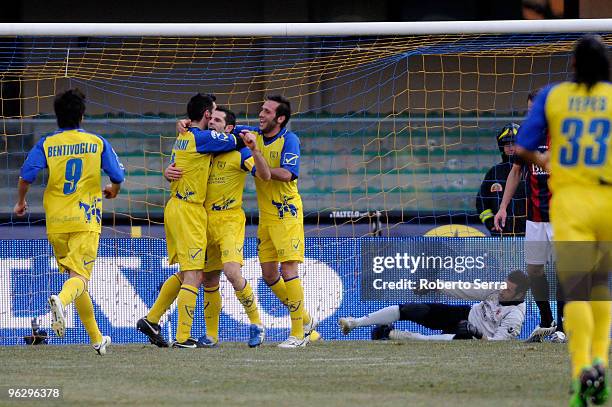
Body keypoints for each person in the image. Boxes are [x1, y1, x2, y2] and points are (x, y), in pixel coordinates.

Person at [515, 34, 612, 406]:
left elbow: (523, 146)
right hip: (606, 201)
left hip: (570, 202)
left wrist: (544, 162)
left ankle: (580, 376)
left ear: (572, 66)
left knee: (576, 294)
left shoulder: (552, 97)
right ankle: (601, 362)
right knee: (601, 286)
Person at [14, 89, 125, 355]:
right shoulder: (97, 142)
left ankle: (97, 339)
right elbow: (117, 175)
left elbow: (26, 176)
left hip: (56, 221)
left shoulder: (47, 143)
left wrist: (20, 202)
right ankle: (60, 302)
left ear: (57, 117)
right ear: (82, 115)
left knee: (75, 279)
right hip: (85, 220)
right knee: (79, 280)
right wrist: (113, 190)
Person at [136, 93, 239, 349]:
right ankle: (183, 338)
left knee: (185, 273)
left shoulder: (184, 136)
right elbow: (236, 138)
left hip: (178, 207)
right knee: (195, 274)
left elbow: (176, 164)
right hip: (189, 210)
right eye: (213, 113)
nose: (215, 118)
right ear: (206, 115)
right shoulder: (202, 138)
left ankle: (151, 320)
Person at [164, 106, 270, 348]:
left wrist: (256, 151)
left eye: (218, 120)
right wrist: (167, 171)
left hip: (229, 220)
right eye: (211, 119)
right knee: (209, 281)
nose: (212, 122)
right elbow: (177, 165)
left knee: (232, 273)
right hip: (203, 220)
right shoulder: (204, 149)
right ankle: (211, 335)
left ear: (229, 128)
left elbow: (264, 176)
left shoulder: (240, 152)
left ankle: (256, 323)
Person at [235, 96, 317, 348]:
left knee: (288, 270)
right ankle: (305, 319)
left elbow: (289, 173)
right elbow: (226, 126)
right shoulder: (252, 136)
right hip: (266, 216)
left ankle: (297, 334)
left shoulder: (289, 139)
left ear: (280, 118)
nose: (261, 114)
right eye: (261, 109)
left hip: (286, 213)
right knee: (269, 275)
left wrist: (266, 170)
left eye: (267, 111)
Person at [494, 90, 564, 343]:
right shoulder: (527, 134)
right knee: (534, 270)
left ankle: (563, 328)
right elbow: (515, 172)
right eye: (530, 110)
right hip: (535, 218)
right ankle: (547, 321)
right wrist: (502, 207)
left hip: (562, 215)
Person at [339, 270, 529, 341]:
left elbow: (499, 344)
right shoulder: (497, 289)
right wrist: (434, 285)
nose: (503, 291)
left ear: (520, 294)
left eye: (509, 290)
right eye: (503, 286)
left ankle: (391, 336)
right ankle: (354, 323)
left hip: (472, 337)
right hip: (464, 314)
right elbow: (465, 289)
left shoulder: (515, 316)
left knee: (432, 341)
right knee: (411, 309)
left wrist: (477, 333)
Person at [476, 123, 527, 236]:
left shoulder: (530, 170)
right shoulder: (493, 172)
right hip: (501, 235)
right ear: (501, 147)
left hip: (529, 234)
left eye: (514, 143)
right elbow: (481, 202)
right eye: (506, 144)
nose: (510, 147)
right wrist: (490, 223)